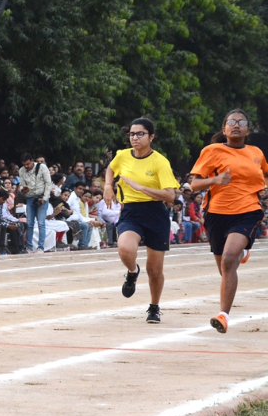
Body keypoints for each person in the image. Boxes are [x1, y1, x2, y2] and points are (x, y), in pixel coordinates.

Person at [188, 109, 268, 333]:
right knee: (225, 268)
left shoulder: (256, 153)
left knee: (229, 259)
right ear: (223, 129)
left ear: (248, 130)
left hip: (247, 211)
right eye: (231, 122)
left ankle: (223, 315)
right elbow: (194, 184)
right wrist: (216, 179)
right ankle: (241, 252)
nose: (236, 125)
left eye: (241, 122)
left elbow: (264, 174)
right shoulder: (212, 151)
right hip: (216, 214)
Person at [104, 117, 179, 324]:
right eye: (131, 134)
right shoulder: (123, 155)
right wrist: (108, 186)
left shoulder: (160, 162)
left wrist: (141, 187)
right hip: (131, 211)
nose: (134, 138)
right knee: (125, 248)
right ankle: (132, 271)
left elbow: (170, 196)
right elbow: (111, 168)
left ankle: (154, 307)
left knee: (154, 270)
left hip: (155, 212)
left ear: (151, 137)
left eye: (140, 134)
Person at [19, 152, 52, 253]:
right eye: (24, 164)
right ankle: (29, 247)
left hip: (42, 197)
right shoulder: (21, 170)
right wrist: (22, 190)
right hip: (30, 198)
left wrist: (45, 198)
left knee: (41, 223)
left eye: (28, 164)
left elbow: (48, 183)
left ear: (32, 161)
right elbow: (21, 185)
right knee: (29, 223)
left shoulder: (42, 167)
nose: (26, 166)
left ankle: (40, 247)